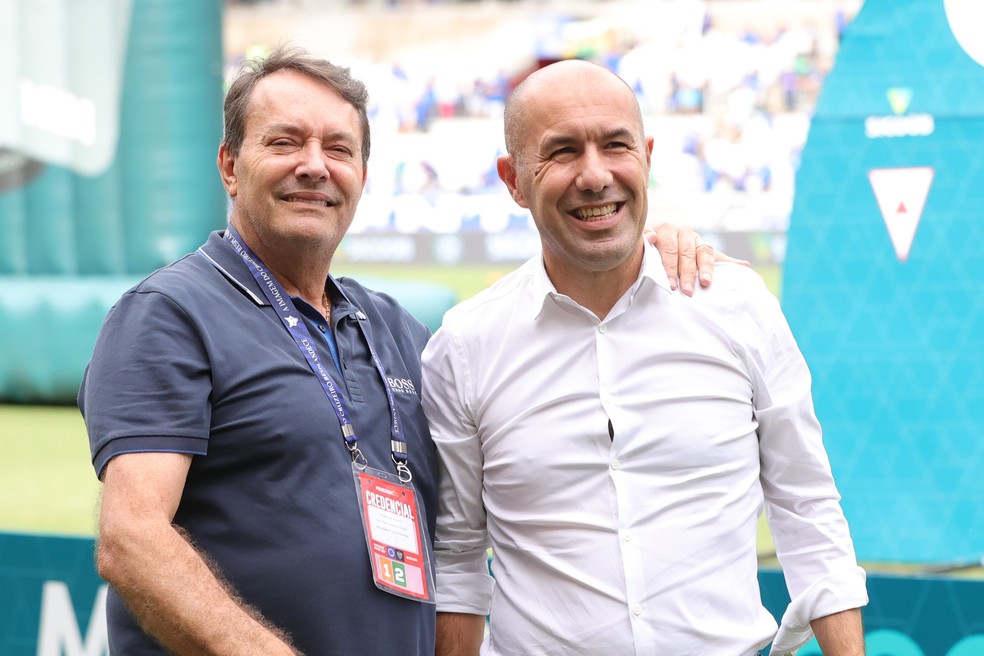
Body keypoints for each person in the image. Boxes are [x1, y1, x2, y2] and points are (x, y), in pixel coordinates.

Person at [78, 47, 721, 655]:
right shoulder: (171, 313)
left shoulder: (393, 328)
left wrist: (642, 252)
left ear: (361, 174)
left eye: (339, 148)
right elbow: (132, 539)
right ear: (229, 166)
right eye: (284, 142)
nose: (314, 165)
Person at [421, 59, 868, 656]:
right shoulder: (464, 347)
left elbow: (809, 513)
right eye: (561, 152)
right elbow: (457, 559)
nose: (595, 174)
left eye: (615, 145)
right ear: (513, 180)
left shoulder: (737, 308)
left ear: (648, 157)